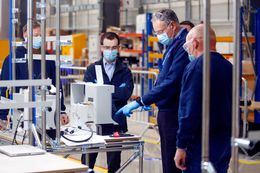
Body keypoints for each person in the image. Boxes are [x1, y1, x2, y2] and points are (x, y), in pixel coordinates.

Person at [116, 9, 190, 173]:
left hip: (174, 111)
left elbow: (172, 81)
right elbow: (164, 77)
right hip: (166, 109)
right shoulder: (172, 43)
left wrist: (141, 101)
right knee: (168, 160)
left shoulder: (183, 45)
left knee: (173, 164)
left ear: (172, 25)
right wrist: (151, 99)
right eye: (156, 32)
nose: (159, 36)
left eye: (160, 31)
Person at [174, 24, 232, 173]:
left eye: (188, 46)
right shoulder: (228, 67)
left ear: (195, 43)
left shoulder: (196, 67)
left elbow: (189, 110)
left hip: (200, 144)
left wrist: (181, 146)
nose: (188, 50)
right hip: (224, 143)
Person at [0, 21, 69, 133]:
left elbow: (57, 85)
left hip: (47, 115)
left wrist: (61, 110)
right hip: (21, 117)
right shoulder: (13, 59)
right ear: (25, 36)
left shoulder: (48, 59)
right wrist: (2, 116)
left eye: (41, 35)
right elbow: (5, 89)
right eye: (35, 35)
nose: (39, 38)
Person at [81, 32, 134, 173]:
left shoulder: (125, 71)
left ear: (118, 48)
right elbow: (87, 93)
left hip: (116, 122)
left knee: (114, 163)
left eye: (114, 47)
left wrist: (102, 91)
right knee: (87, 162)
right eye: (107, 47)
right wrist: (116, 91)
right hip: (94, 122)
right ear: (101, 48)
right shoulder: (92, 69)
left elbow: (126, 94)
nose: (111, 51)